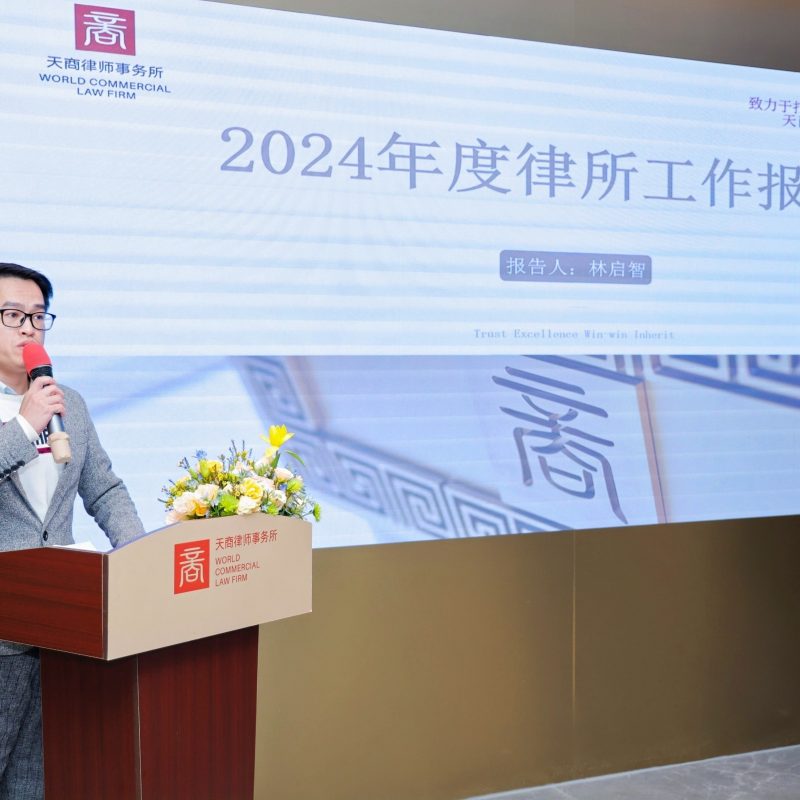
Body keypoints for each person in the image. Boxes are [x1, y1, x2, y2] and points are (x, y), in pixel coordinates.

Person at [0, 262, 145, 800]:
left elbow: (103, 489)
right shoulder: (37, 412)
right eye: (13, 315)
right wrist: (24, 425)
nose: (28, 328)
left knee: (36, 781)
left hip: (60, 628)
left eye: (38, 316)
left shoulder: (69, 404)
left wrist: (140, 557)